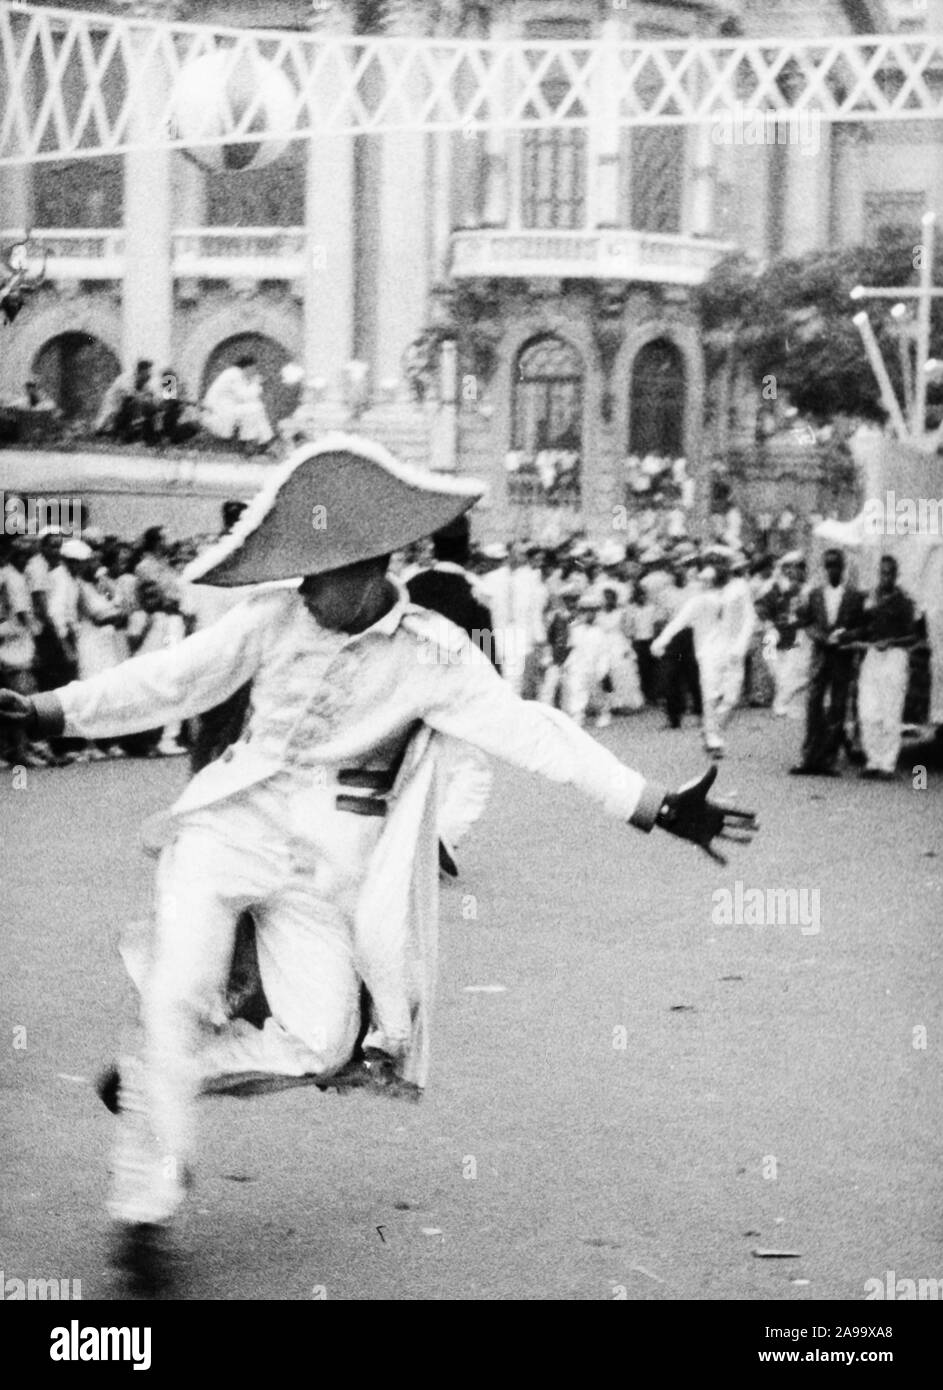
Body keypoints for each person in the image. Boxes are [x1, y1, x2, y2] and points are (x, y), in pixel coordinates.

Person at [0, 435, 756, 1292]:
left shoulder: (434, 654)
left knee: (322, 1043)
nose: (301, 586)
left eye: (314, 572)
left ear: (367, 568)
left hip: (325, 866)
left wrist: (650, 803)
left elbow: (531, 732)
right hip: (225, 831)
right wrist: (50, 708)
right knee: (177, 993)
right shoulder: (272, 619)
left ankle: (152, 1079)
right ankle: (143, 1212)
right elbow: (171, 680)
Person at [406, 514, 497, 867]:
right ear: (466, 550)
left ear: (434, 546)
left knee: (425, 769)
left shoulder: (412, 585)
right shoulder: (477, 592)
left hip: (412, 690)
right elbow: (486, 649)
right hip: (459, 695)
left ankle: (418, 839)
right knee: (473, 771)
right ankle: (444, 837)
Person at [651, 547, 755, 759]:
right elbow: (680, 620)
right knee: (709, 695)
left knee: (732, 698)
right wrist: (661, 641)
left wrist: (741, 646)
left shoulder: (739, 589)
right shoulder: (699, 596)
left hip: (733, 650)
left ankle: (711, 729)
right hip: (708, 652)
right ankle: (713, 739)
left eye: (719, 563)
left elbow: (749, 619)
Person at [790, 548, 865, 777]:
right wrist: (822, 637)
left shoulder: (854, 596)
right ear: (824, 568)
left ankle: (828, 759)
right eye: (828, 565)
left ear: (842, 568)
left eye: (836, 565)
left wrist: (846, 635)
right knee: (813, 704)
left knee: (838, 707)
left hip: (842, 657)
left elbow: (863, 627)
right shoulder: (815, 594)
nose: (832, 569)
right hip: (821, 657)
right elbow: (806, 623)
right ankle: (810, 757)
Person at [855, 555, 917, 780]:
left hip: (895, 656)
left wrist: (892, 642)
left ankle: (887, 764)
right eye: (882, 573)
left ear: (896, 575)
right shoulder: (872, 598)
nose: (885, 577)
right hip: (873, 654)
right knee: (868, 710)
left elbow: (913, 637)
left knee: (890, 710)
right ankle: (872, 760)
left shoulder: (904, 602)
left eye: (890, 573)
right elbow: (863, 627)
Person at [202, 356, 274, 449]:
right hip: (217, 413)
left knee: (256, 407)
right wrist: (256, 383)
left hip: (225, 409)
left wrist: (253, 383)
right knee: (254, 408)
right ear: (248, 367)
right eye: (254, 368)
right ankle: (253, 441)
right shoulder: (234, 374)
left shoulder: (237, 374)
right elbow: (245, 396)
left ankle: (262, 441)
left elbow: (249, 398)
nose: (255, 371)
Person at [95, 360, 159, 444]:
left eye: (150, 373)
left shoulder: (143, 385)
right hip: (109, 421)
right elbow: (130, 397)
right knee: (132, 402)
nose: (149, 375)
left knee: (149, 407)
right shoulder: (126, 380)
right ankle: (119, 436)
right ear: (140, 372)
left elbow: (151, 398)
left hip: (121, 418)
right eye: (147, 372)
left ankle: (146, 437)